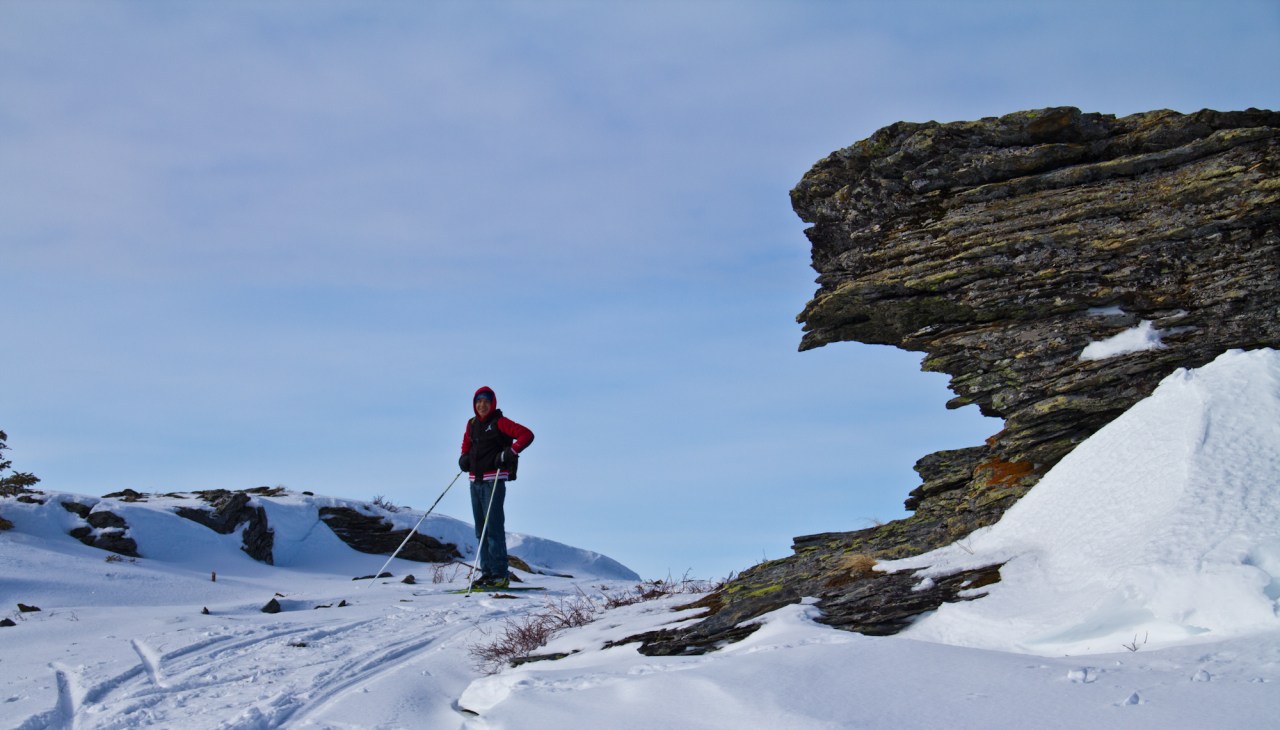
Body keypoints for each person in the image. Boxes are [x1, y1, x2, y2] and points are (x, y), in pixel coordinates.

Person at [458, 386, 534, 589]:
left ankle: (500, 575)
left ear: (493, 404)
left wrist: (510, 452)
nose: (482, 405)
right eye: (478, 401)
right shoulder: (472, 423)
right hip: (475, 481)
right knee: (480, 531)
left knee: (493, 529)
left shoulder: (500, 422)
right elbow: (466, 444)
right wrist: (464, 458)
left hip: (494, 480)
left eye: (486, 401)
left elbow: (526, 435)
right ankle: (487, 573)